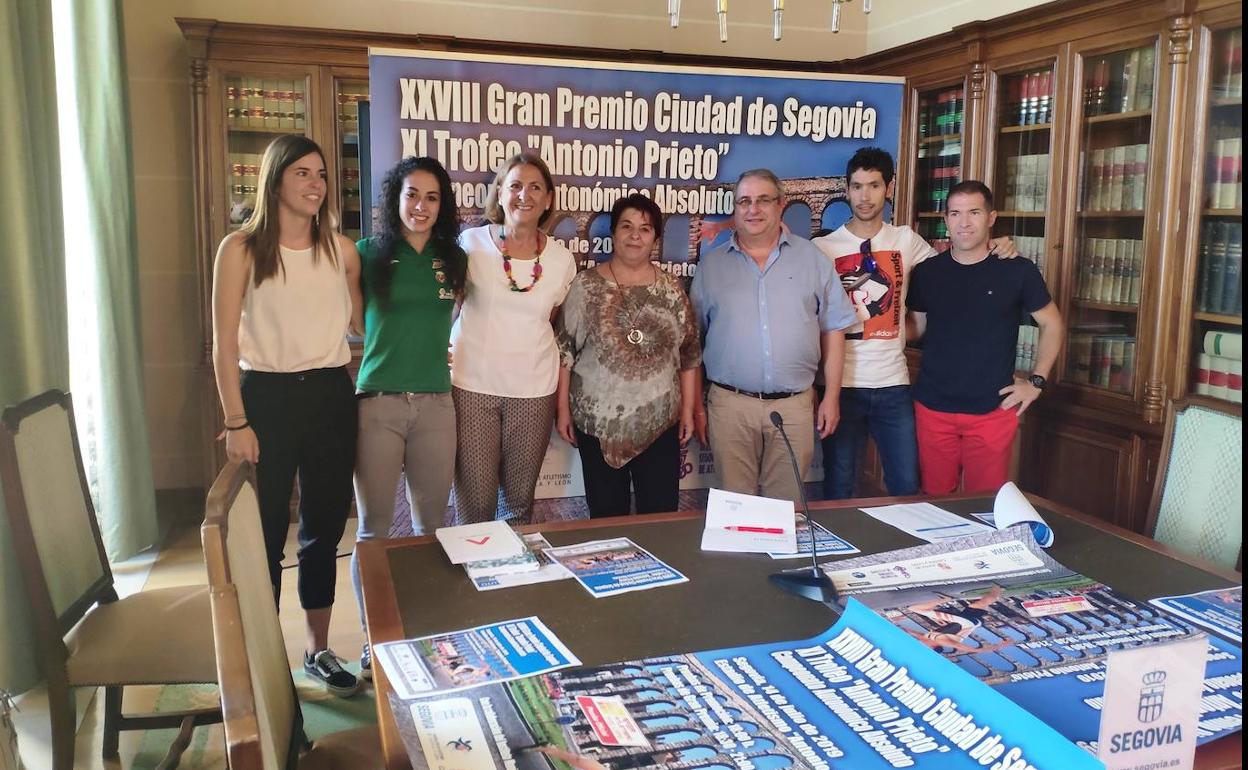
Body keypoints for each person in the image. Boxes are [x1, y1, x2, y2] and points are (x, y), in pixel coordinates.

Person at [211, 134, 363, 697]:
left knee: (324, 529)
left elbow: (365, 327)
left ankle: (317, 650)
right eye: (303, 173)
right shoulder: (241, 250)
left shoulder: (341, 251)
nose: (316, 184)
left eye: (322, 175)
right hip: (265, 400)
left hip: (329, 395)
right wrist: (235, 421)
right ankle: (263, 659)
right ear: (275, 179)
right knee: (267, 531)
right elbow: (223, 344)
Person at [813, 147, 1019, 500]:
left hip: (894, 385)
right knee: (839, 484)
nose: (865, 196)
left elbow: (957, 264)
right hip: (841, 386)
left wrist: (994, 243)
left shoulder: (906, 240)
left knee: (906, 486)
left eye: (874, 185)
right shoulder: (822, 247)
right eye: (858, 186)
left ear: (888, 189)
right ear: (846, 190)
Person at [349, 156, 466, 679]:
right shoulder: (366, 254)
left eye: (432, 198)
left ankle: (424, 632)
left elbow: (455, 317)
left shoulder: (452, 259)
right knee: (373, 531)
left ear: (442, 206)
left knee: (431, 527)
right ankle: (374, 640)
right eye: (412, 195)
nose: (421, 206)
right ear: (395, 198)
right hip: (379, 402)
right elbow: (354, 320)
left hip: (437, 405)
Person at [689, 169, 858, 501]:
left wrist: (832, 397)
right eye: (744, 202)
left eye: (763, 200)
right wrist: (696, 407)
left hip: (794, 408)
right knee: (735, 507)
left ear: (780, 204)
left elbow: (834, 329)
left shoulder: (812, 259)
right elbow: (692, 341)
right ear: (735, 209)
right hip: (729, 406)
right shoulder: (712, 266)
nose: (753, 210)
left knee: (787, 508)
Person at [906, 181, 1064, 495]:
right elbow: (918, 328)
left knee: (986, 507)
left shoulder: (1017, 270)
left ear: (990, 217)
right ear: (946, 219)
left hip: (992, 409)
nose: (964, 223)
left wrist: (1036, 382)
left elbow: (1053, 324)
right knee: (936, 505)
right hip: (933, 408)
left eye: (974, 212)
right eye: (955, 213)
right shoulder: (927, 272)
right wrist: (875, 331)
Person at [555, 193, 700, 518]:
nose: (635, 236)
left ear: (655, 238)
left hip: (660, 423)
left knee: (659, 519)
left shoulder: (672, 289)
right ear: (613, 233)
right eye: (627, 226)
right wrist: (562, 409)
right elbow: (564, 350)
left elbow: (689, 354)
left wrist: (688, 410)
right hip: (598, 425)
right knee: (606, 518)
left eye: (645, 229)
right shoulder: (586, 286)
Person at [451, 153, 577, 525]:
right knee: (475, 503)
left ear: (549, 199)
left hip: (534, 391)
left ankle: (511, 580)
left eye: (536, 187)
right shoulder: (470, 244)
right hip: (471, 386)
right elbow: (452, 308)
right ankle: (471, 579)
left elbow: (551, 321)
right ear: (500, 194)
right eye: (516, 185)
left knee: (519, 505)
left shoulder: (561, 260)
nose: (525, 195)